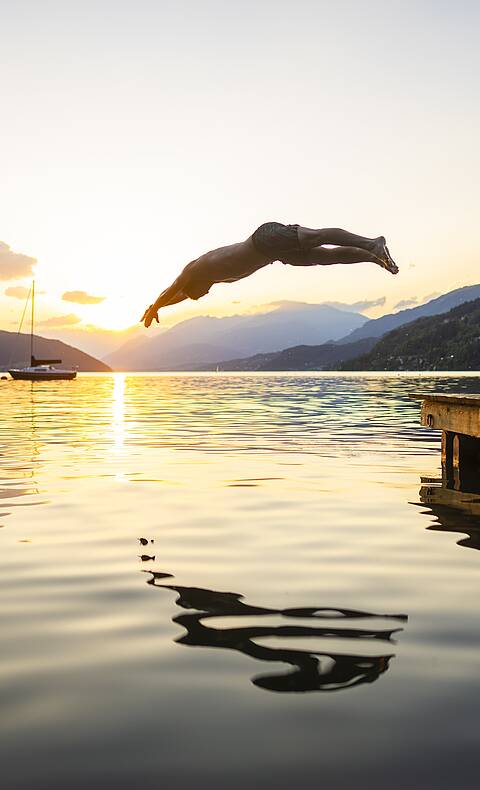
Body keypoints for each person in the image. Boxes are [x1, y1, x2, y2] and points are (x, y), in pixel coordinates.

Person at [141, 221, 399, 327]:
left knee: (316, 237)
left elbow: (173, 288)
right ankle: (375, 258)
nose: (201, 295)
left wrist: (155, 306)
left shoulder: (196, 268)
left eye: (197, 294)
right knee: (325, 257)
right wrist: (162, 308)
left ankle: (371, 243)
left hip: (265, 238)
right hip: (274, 254)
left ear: (194, 284)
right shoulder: (211, 278)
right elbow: (179, 296)